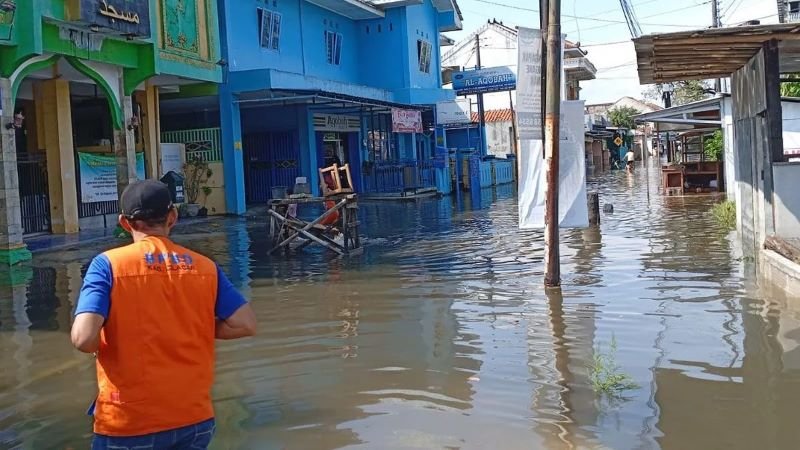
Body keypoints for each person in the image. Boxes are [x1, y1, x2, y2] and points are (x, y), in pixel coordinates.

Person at [71, 180, 257, 450]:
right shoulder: (205, 267)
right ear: (172, 217)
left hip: (129, 422)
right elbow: (245, 324)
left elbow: (83, 339)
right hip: (193, 419)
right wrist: (193, 324)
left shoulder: (107, 265)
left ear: (124, 223)